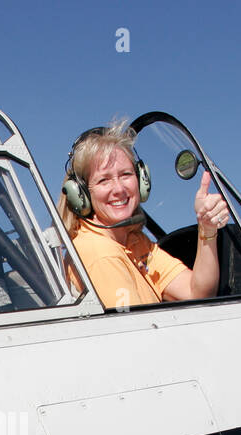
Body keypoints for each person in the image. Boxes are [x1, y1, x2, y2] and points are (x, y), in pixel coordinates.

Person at [59, 121, 229, 310]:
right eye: (104, 180)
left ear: (141, 179)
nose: (119, 189)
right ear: (81, 194)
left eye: (125, 174)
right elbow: (136, 330)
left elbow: (198, 293)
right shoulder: (99, 253)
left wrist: (207, 228)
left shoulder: (134, 242)